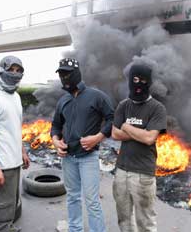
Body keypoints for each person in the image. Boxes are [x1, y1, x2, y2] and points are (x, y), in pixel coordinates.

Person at [51, 58, 114, 232]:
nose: (64, 77)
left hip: (88, 157)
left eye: (67, 73)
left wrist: (98, 137)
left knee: (92, 201)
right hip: (68, 158)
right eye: (61, 74)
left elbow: (112, 118)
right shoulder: (63, 100)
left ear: (77, 73)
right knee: (72, 197)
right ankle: (75, 229)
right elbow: (55, 125)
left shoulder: (97, 96)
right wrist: (56, 142)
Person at [111, 64, 167, 232]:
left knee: (146, 223)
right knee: (124, 220)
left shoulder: (157, 108)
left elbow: (150, 138)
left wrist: (127, 127)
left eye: (143, 80)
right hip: (121, 171)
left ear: (149, 82)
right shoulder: (123, 105)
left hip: (143, 174)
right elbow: (114, 133)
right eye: (135, 80)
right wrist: (140, 133)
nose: (138, 84)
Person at [0, 55, 30, 232]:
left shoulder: (15, 96)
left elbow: (15, 128)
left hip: (14, 163)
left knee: (10, 206)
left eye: (18, 71)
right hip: (1, 166)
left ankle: (8, 227)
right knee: (0, 211)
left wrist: (22, 152)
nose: (15, 74)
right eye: (11, 70)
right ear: (2, 70)